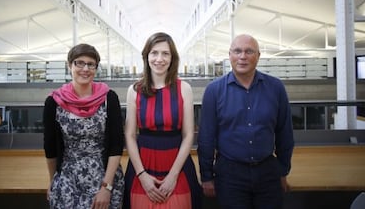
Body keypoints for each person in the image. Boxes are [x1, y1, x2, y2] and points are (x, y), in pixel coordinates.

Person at [197, 34, 294, 209]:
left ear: (258, 56)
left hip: (268, 172)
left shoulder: (276, 87)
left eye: (249, 51)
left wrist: (282, 170)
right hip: (229, 174)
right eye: (237, 51)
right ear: (229, 55)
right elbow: (206, 138)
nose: (243, 56)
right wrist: (206, 176)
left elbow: (284, 133)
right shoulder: (214, 90)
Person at [123, 32, 202, 208]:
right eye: (154, 53)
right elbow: (129, 135)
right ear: (146, 56)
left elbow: (189, 134)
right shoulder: (134, 90)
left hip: (177, 164)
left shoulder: (184, 89)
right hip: (143, 164)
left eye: (165, 53)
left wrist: (173, 175)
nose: (159, 59)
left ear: (172, 58)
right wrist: (142, 175)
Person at [43, 43, 125, 209]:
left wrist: (106, 187)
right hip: (68, 179)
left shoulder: (109, 98)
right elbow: (50, 147)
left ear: (96, 68)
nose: (85, 69)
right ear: (70, 65)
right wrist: (53, 180)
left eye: (90, 64)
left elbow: (116, 146)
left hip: (104, 177)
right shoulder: (54, 102)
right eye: (79, 63)